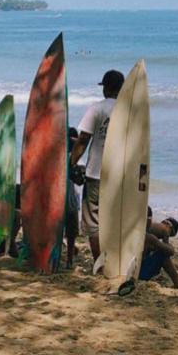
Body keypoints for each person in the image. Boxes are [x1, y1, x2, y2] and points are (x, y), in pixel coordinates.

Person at [69, 69, 125, 261]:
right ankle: (115, 260)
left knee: (93, 221)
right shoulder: (129, 110)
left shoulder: (97, 109)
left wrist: (71, 163)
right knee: (113, 219)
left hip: (95, 174)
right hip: (120, 175)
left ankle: (100, 264)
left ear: (106, 88)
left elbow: (83, 139)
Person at [65, 127, 82, 268]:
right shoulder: (71, 160)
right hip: (69, 202)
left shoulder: (71, 160)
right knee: (71, 233)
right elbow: (79, 180)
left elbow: (78, 180)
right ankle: (69, 259)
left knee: (69, 233)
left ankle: (70, 257)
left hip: (67, 201)